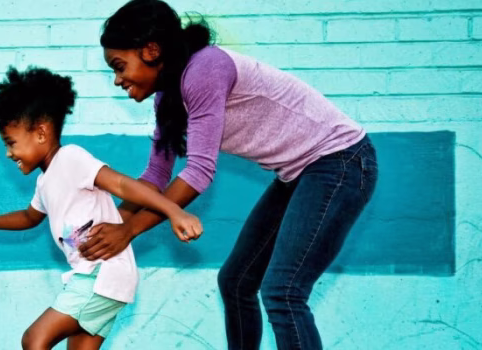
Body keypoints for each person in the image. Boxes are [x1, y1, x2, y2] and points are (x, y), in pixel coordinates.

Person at [78, 1, 379, 348]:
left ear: (151, 50)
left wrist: (128, 230)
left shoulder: (206, 67)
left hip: (339, 162)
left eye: (119, 66)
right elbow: (155, 177)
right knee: (236, 282)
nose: (117, 80)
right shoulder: (169, 99)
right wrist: (111, 222)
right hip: (299, 174)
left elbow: (199, 172)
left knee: (283, 290)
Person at [0, 66, 203, 350]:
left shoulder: (70, 158)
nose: (8, 153)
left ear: (40, 133)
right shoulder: (44, 182)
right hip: (99, 278)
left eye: (11, 143)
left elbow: (123, 186)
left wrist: (174, 211)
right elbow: (29, 217)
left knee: (34, 339)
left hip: (100, 275)